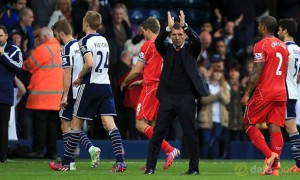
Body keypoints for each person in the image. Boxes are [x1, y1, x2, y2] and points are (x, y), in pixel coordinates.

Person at [49, 10, 126, 172]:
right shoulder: (105, 40)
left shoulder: (83, 41)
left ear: (86, 24)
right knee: (110, 124)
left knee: (75, 125)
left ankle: (66, 163)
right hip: (105, 84)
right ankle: (120, 162)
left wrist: (79, 76)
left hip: (90, 85)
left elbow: (89, 63)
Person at [145, 10, 209, 175]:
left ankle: (194, 169)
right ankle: (150, 167)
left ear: (184, 35)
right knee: (158, 132)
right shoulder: (166, 49)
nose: (177, 37)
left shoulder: (191, 49)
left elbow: (198, 42)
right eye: (174, 34)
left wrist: (186, 26)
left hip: (187, 97)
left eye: (180, 34)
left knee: (190, 134)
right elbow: (158, 41)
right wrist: (166, 28)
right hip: (168, 97)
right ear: (170, 35)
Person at [120, 17, 180, 169]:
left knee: (140, 124)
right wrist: (143, 80)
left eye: (143, 31)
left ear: (148, 30)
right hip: (162, 88)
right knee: (153, 127)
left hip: (151, 89)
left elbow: (136, 70)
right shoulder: (166, 45)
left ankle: (170, 149)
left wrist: (125, 81)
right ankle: (150, 163)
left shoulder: (148, 45)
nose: (143, 34)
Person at [240, 16, 289, 176]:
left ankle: (269, 157)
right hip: (281, 91)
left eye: (259, 25)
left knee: (247, 123)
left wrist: (247, 93)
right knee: (275, 128)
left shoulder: (261, 45)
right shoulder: (283, 46)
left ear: (262, 27)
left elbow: (256, 72)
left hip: (265, 92)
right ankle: (274, 169)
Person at [51, 19, 101, 170]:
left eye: (56, 36)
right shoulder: (81, 44)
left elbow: (67, 73)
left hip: (72, 92)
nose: (56, 39)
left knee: (69, 125)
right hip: (84, 90)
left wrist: (65, 95)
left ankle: (85, 153)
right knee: (69, 123)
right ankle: (71, 161)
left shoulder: (67, 48)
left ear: (61, 33)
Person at [23, 27, 63, 159]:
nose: (37, 40)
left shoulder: (43, 49)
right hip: (56, 95)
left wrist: (31, 53)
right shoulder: (60, 49)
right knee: (52, 124)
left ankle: (38, 150)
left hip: (42, 95)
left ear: (45, 37)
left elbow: (29, 65)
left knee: (40, 124)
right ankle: (52, 151)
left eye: (38, 37)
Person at [277, 18, 300, 173]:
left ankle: (299, 165)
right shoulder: (298, 48)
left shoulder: (283, 49)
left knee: (290, 129)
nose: (278, 32)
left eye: (279, 29)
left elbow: (280, 71)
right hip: (292, 90)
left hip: (284, 91)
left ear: (285, 30)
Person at [0, 25, 23, 162]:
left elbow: (18, 67)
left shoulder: (14, 50)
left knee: (3, 125)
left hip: (4, 93)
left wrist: (3, 55)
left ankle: (2, 155)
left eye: (1, 35)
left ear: (6, 36)